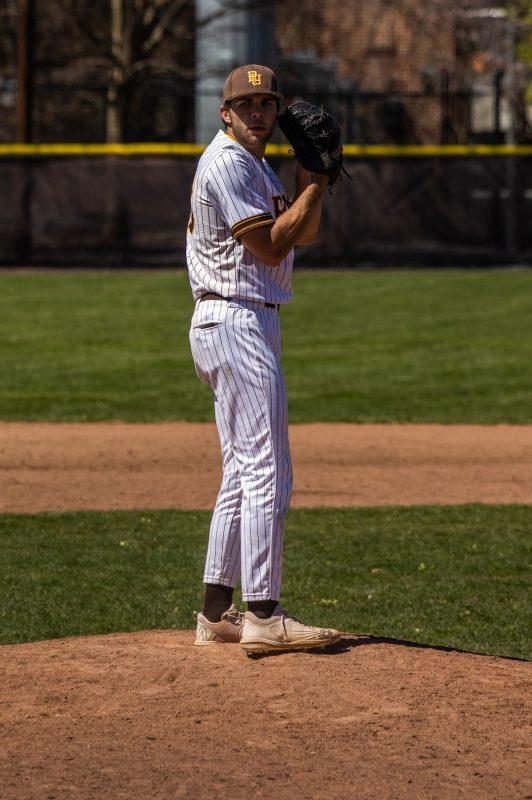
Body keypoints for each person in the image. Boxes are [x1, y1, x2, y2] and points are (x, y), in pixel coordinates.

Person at [187, 64, 340, 654]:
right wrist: (318, 184)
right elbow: (271, 243)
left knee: (241, 472)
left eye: (266, 103)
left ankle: (217, 612)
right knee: (269, 470)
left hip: (243, 317)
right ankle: (264, 613)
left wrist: (309, 178)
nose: (257, 112)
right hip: (236, 316)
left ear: (276, 113)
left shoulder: (254, 166)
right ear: (225, 113)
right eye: (245, 103)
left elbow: (305, 235)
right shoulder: (227, 163)